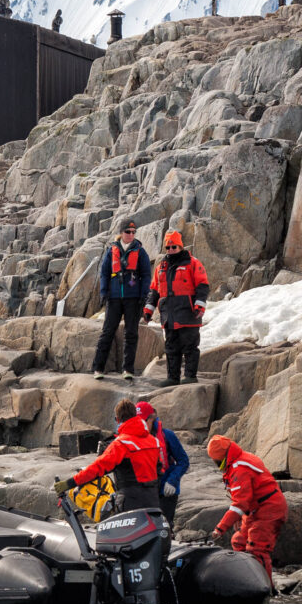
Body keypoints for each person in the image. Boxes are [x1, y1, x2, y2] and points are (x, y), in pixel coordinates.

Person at [206, 435, 288, 584]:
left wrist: (220, 528)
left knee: (257, 549)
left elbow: (240, 503)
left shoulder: (240, 469)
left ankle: (265, 588)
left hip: (269, 509)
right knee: (238, 541)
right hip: (255, 510)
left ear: (220, 459)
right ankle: (244, 580)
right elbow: (245, 497)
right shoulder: (239, 459)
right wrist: (239, 516)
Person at [53, 399, 161, 512]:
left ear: (117, 419)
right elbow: (160, 470)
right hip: (153, 500)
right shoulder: (153, 441)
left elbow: (97, 468)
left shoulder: (120, 444)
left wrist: (70, 483)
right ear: (135, 416)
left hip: (130, 502)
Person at [144, 230, 209, 386]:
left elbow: (203, 286)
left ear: (180, 246)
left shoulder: (193, 263)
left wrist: (199, 305)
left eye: (174, 246)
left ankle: (190, 376)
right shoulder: (161, 267)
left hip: (188, 313)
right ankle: (173, 378)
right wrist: (148, 309)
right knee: (171, 348)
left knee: (190, 346)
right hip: (169, 316)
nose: (171, 250)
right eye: (168, 247)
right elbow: (154, 290)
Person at [93, 219, 151, 380]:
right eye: (128, 232)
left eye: (133, 232)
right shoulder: (111, 251)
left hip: (134, 299)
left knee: (131, 333)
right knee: (107, 332)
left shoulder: (140, 251)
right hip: (114, 298)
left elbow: (146, 275)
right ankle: (98, 368)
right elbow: (104, 273)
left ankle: (128, 370)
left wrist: (143, 295)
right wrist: (104, 292)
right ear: (121, 233)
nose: (131, 235)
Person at [136, 401, 189, 525]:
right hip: (147, 491)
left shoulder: (167, 435)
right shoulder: (135, 438)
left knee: (164, 526)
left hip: (167, 490)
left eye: (144, 421)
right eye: (138, 421)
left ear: (152, 418)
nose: (141, 425)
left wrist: (172, 481)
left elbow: (183, 461)